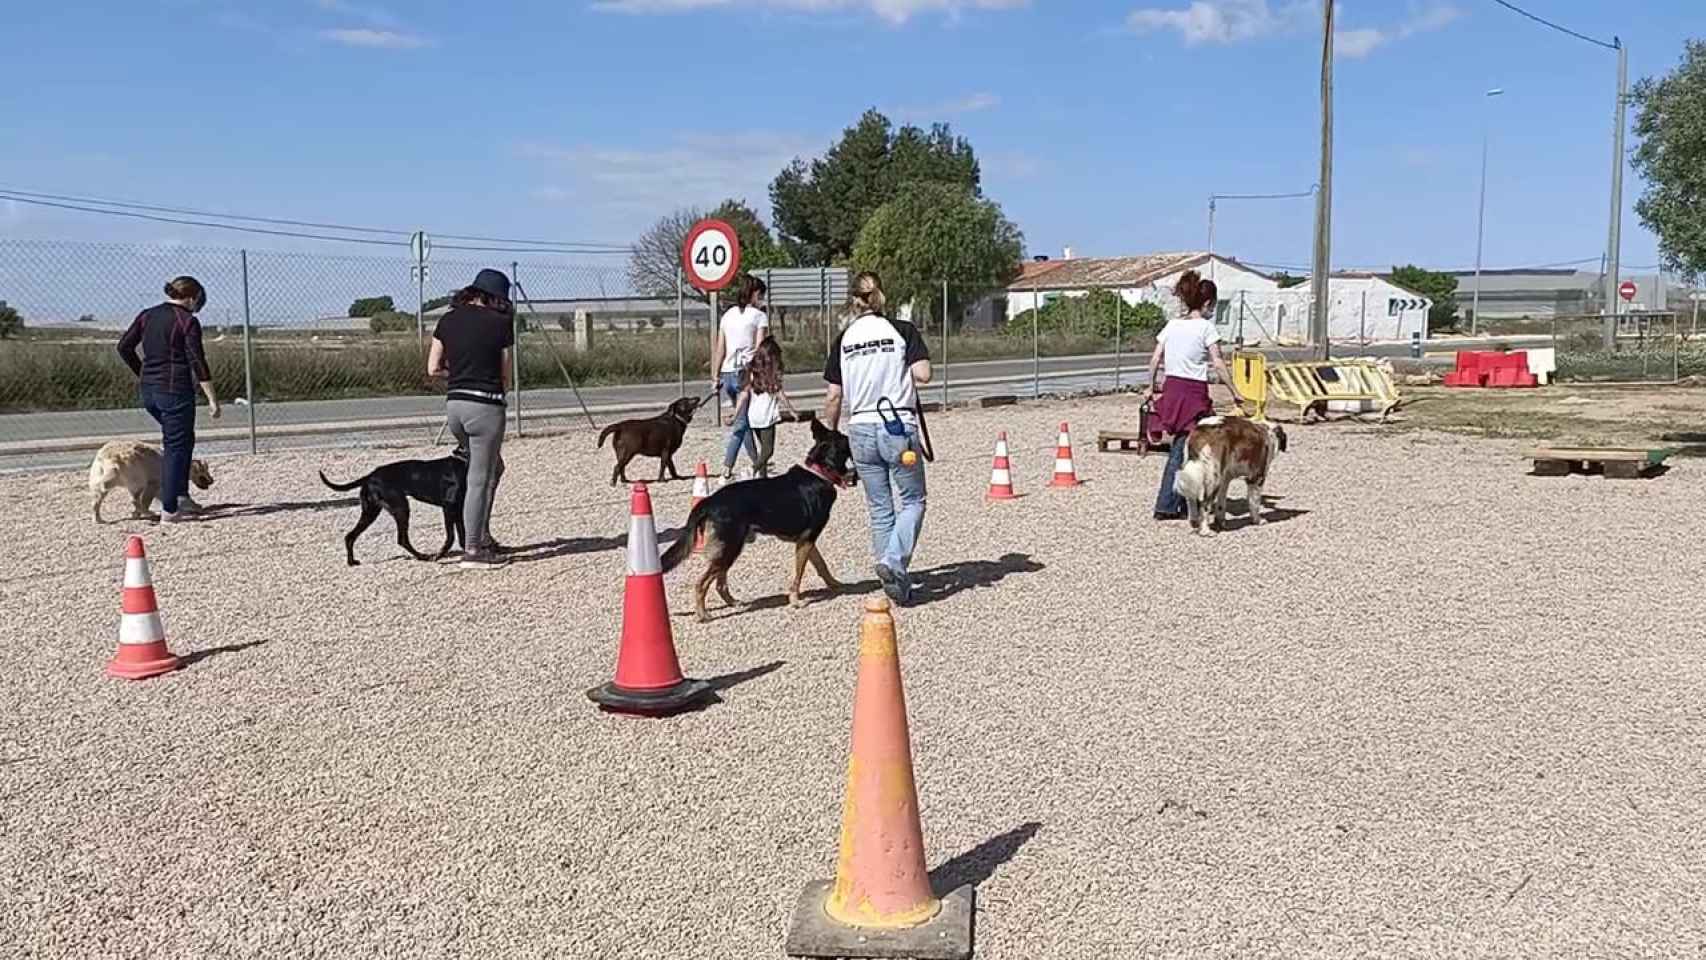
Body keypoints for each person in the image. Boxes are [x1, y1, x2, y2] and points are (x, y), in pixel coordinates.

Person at [823, 272, 931, 605]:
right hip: (897, 425)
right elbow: (923, 375)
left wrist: (833, 432)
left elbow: (833, 396)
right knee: (913, 500)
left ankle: (893, 582)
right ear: (880, 296)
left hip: (860, 429)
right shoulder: (901, 331)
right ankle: (893, 561)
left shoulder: (844, 338)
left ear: (854, 300)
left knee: (880, 508)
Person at [428, 268, 514, 570]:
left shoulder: (447, 319)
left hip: (455, 408)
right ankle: (474, 549)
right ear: (494, 298)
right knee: (480, 478)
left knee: (493, 468)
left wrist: (460, 375)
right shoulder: (500, 323)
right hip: (486, 409)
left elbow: (432, 368)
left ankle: (483, 535)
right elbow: (506, 377)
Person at [117, 275, 221, 523]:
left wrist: (143, 372)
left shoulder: (147, 315)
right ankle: (171, 509)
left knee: (182, 441)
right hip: (175, 391)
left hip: (150, 392)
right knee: (175, 447)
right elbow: (197, 361)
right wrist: (212, 399)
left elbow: (124, 347)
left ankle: (182, 496)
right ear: (193, 297)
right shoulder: (188, 321)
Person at [1142, 271, 1244, 521]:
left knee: (1186, 443)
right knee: (1186, 446)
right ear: (1208, 303)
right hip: (1193, 392)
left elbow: (1155, 358)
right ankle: (1168, 503)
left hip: (1172, 388)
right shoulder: (1206, 328)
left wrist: (1151, 386)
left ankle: (1185, 499)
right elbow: (1218, 363)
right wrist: (1235, 392)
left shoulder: (1172, 325)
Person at [710, 275, 770, 479]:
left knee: (744, 420)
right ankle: (727, 466)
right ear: (755, 294)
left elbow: (720, 347)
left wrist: (714, 376)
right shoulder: (759, 316)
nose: (762, 300)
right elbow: (760, 348)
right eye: (761, 295)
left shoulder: (727, 316)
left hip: (727, 372)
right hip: (746, 371)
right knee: (742, 423)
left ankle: (757, 464)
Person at [733, 336, 798, 479]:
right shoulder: (772, 375)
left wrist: (735, 414)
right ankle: (752, 469)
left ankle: (763, 478)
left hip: (754, 417)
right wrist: (792, 411)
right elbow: (780, 394)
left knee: (763, 449)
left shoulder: (752, 372)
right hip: (767, 417)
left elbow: (743, 395)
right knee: (768, 451)